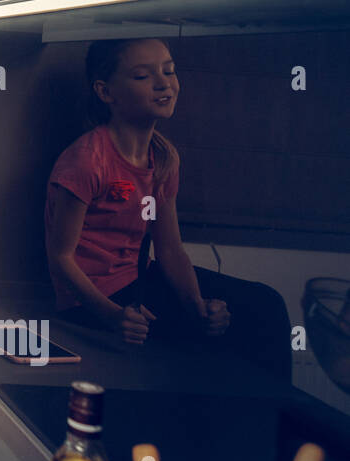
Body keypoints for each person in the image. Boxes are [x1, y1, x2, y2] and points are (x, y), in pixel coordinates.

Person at [44, 38, 291, 383]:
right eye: (143, 76)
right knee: (216, 348)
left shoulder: (163, 159)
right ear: (106, 92)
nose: (164, 83)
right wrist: (114, 316)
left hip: (139, 280)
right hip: (92, 300)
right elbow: (61, 257)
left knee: (263, 305)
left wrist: (198, 306)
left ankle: (276, 426)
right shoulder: (86, 160)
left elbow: (171, 249)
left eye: (169, 71)